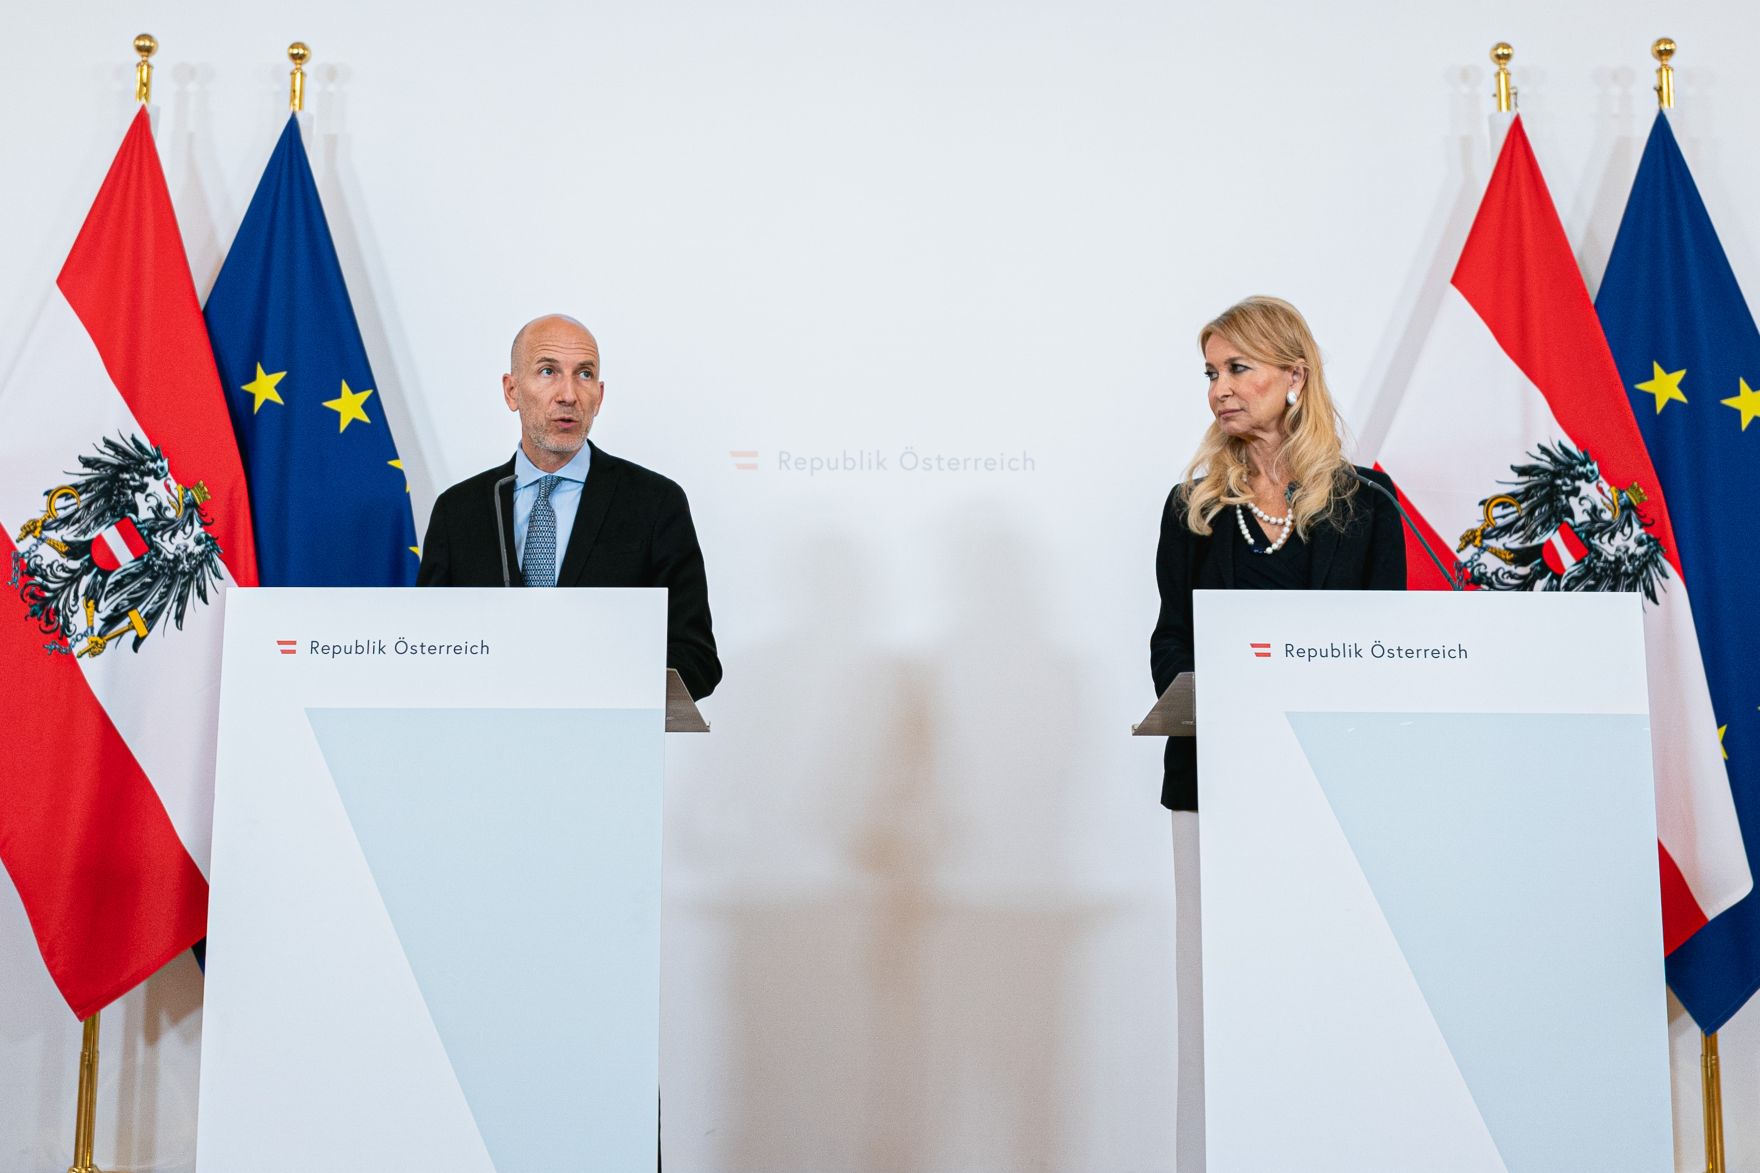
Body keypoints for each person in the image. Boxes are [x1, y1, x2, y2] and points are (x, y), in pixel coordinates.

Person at [1148, 295, 1404, 1171]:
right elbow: (1169, 645)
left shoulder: (1368, 504)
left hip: (1334, 790)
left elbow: (1385, 645)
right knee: (1223, 997)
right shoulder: (1193, 506)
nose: (1221, 389)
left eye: (1238, 369)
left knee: (1327, 993)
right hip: (1216, 787)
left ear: (1294, 378)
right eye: (1211, 373)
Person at [417, 314, 721, 700]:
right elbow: (428, 648)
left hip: (603, 747)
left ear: (600, 395)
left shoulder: (654, 503)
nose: (569, 394)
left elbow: (697, 659)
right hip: (485, 744)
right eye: (548, 371)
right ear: (512, 391)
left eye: (584, 374)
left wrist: (595, 686)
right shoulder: (458, 511)